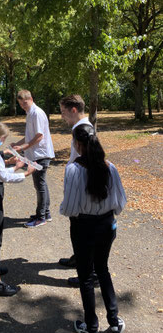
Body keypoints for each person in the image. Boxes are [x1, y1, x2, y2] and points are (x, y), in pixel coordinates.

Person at [60, 124, 126, 333]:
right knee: (103, 270)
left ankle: (91, 327)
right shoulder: (110, 166)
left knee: (86, 276)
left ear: (77, 144)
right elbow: (120, 201)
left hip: (83, 228)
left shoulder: (73, 170)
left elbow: (69, 208)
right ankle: (114, 322)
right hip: (107, 225)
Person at [0, 122, 35, 296]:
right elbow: (2, 176)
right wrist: (25, 173)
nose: (4, 141)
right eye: (4, 138)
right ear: (0, 137)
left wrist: (15, 166)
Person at [59, 94, 96, 287]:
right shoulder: (82, 127)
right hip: (79, 183)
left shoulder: (82, 129)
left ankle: (89, 273)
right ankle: (79, 259)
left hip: (81, 186)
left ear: (73, 110)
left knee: (82, 229)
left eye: (63, 112)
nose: (62, 116)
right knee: (78, 229)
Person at [12, 90, 55, 228]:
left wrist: (23, 146)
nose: (23, 106)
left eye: (24, 103)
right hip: (36, 154)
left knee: (40, 186)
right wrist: (18, 144)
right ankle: (46, 213)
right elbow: (30, 136)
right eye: (20, 104)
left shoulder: (36, 113)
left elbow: (39, 136)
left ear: (30, 99)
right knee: (41, 185)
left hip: (41, 155)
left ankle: (40, 217)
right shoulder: (30, 113)